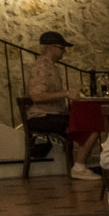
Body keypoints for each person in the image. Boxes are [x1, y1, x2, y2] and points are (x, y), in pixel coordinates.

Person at [23, 31, 97, 180]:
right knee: (91, 125)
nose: (64, 51)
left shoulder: (52, 67)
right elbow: (36, 96)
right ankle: (79, 166)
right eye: (62, 48)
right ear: (50, 48)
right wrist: (65, 93)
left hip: (54, 114)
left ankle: (83, 164)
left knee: (89, 120)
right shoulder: (41, 67)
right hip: (42, 116)